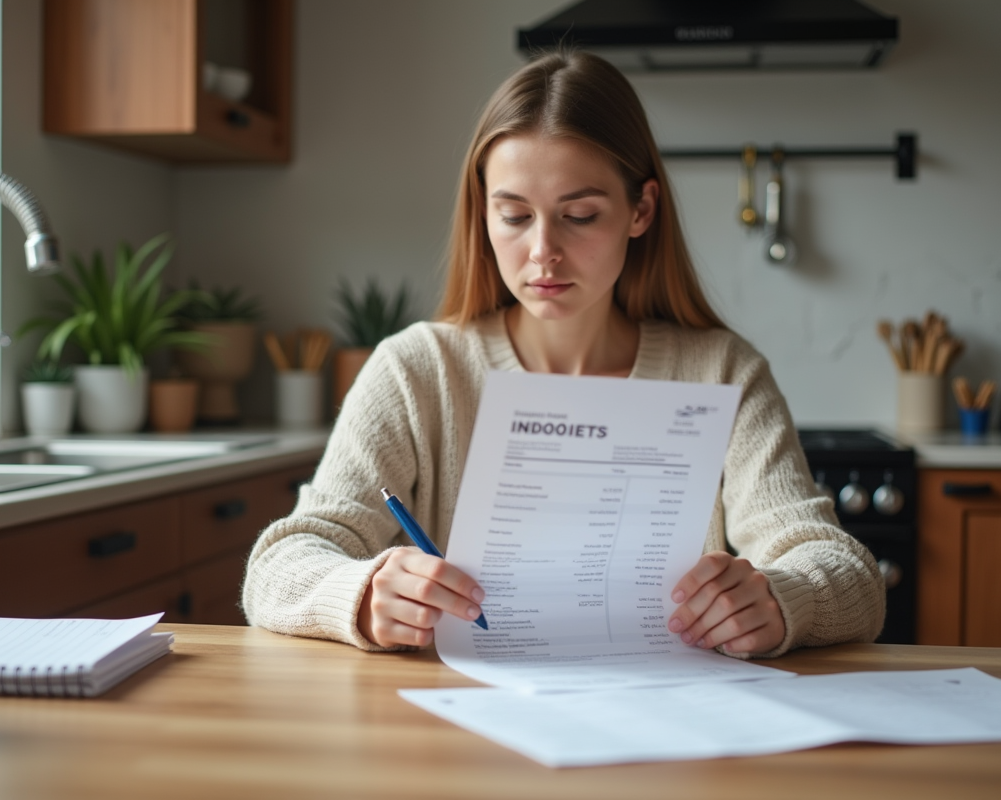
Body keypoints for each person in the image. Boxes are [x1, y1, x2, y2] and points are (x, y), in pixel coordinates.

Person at [242, 50, 885, 657]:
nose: (543, 251)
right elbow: (281, 565)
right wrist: (361, 597)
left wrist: (779, 598)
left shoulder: (723, 373)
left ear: (642, 209)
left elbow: (849, 576)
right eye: (515, 216)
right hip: (455, 730)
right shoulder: (417, 370)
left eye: (578, 215)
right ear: (483, 214)